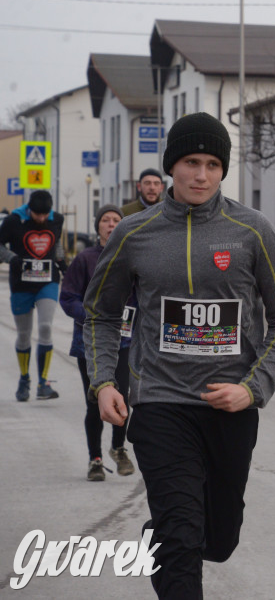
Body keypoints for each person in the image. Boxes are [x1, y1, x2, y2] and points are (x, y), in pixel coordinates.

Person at [84, 112, 275, 598]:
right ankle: (170, 540)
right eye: (189, 162)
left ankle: (161, 540)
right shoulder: (134, 234)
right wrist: (103, 382)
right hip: (161, 404)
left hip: (229, 407)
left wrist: (253, 388)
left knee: (217, 540)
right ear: (171, 166)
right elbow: (100, 314)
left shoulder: (252, 231)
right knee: (181, 533)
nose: (201, 175)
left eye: (211, 164)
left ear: (223, 169)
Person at [59, 204, 136, 481]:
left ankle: (118, 448)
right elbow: (67, 298)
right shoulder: (85, 259)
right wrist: (92, 315)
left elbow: (142, 299)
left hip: (125, 342)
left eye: (117, 219)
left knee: (122, 397)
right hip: (88, 343)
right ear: (98, 226)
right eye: (106, 220)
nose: (111, 224)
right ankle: (95, 459)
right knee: (95, 402)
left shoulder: (132, 257)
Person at [0, 189, 66, 401]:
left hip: (48, 282)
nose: (41, 219)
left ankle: (43, 383)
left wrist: (63, 263)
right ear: (30, 210)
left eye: (45, 215)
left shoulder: (57, 219)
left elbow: (55, 243)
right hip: (21, 284)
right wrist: (11, 258)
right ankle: (24, 379)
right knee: (23, 334)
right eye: (37, 215)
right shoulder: (14, 221)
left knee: (46, 327)